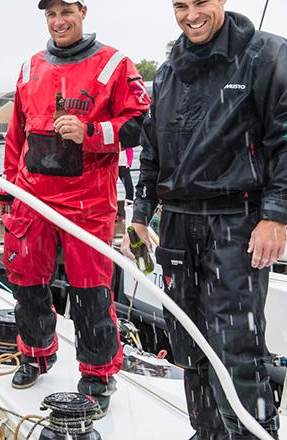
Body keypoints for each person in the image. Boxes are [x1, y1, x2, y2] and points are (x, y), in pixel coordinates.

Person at [123, 1, 286, 438]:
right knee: (189, 344)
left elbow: (285, 140)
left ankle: (251, 434)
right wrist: (139, 218)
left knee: (236, 347)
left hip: (237, 223)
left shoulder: (267, 55)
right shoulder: (168, 69)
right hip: (176, 225)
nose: (191, 15)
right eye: (181, 5)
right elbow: (151, 152)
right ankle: (208, 431)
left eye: (201, 3)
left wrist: (276, 215)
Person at [0, 0, 150, 415]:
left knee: (91, 291)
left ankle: (98, 372)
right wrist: (8, 194)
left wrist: (91, 133)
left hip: (88, 201)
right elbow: (16, 136)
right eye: (51, 14)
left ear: (83, 11)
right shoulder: (30, 67)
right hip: (32, 197)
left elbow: (141, 124)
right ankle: (35, 352)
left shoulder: (115, 64)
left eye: (66, 11)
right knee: (25, 280)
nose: (59, 21)